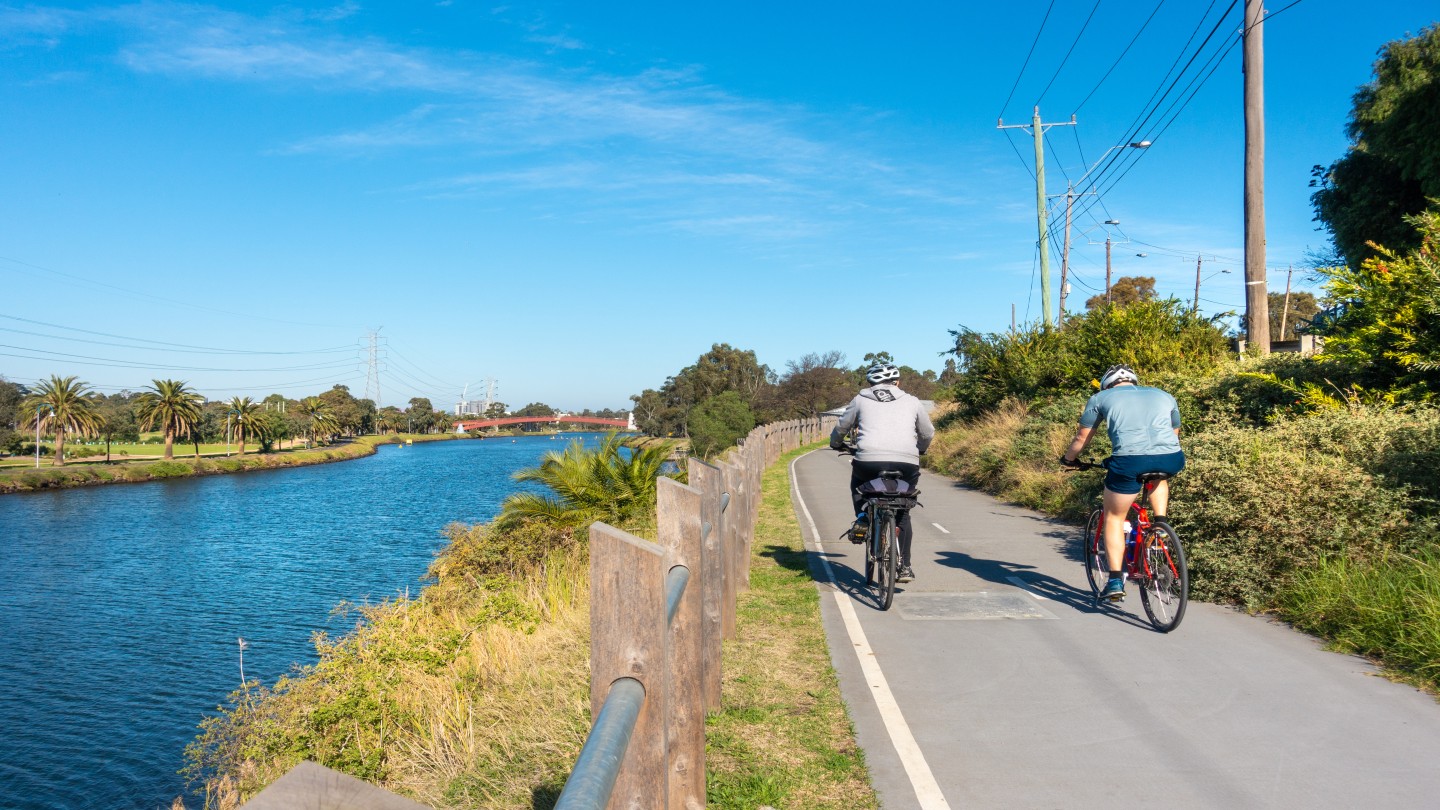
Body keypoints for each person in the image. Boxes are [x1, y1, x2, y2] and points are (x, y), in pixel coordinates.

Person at [1060, 363, 1185, 602]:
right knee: (1160, 473)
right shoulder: (1164, 394)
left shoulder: (1100, 398)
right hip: (1171, 458)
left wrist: (1069, 459)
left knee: (1114, 518)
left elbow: (1082, 437)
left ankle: (1115, 580)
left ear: (1107, 383)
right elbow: (1174, 432)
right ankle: (1160, 527)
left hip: (1129, 461)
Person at [830, 362, 935, 583]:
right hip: (906, 462)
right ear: (897, 382)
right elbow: (927, 432)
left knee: (858, 485)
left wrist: (836, 443)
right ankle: (904, 567)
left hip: (869, 460)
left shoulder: (860, 399)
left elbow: (841, 427)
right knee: (903, 512)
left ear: (871, 383)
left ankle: (862, 518)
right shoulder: (913, 401)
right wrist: (920, 449)